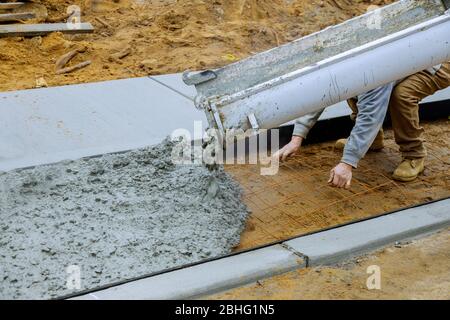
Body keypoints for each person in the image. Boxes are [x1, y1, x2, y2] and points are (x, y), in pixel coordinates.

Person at [274, 62, 450, 187]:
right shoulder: (339, 66)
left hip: (438, 60)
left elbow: (370, 117)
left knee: (401, 95)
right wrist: (297, 137)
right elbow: (320, 96)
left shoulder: (373, 76)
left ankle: (414, 154)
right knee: (351, 88)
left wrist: (347, 163)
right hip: (403, 62)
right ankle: (373, 141)